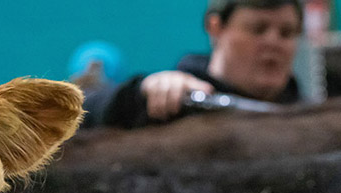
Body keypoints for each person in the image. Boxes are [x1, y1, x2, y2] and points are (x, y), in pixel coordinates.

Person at [96, 0, 304, 129]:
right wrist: (136, 96)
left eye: (287, 33)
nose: (274, 43)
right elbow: (76, 116)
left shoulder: (304, 116)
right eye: (258, 29)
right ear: (215, 27)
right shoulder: (172, 106)